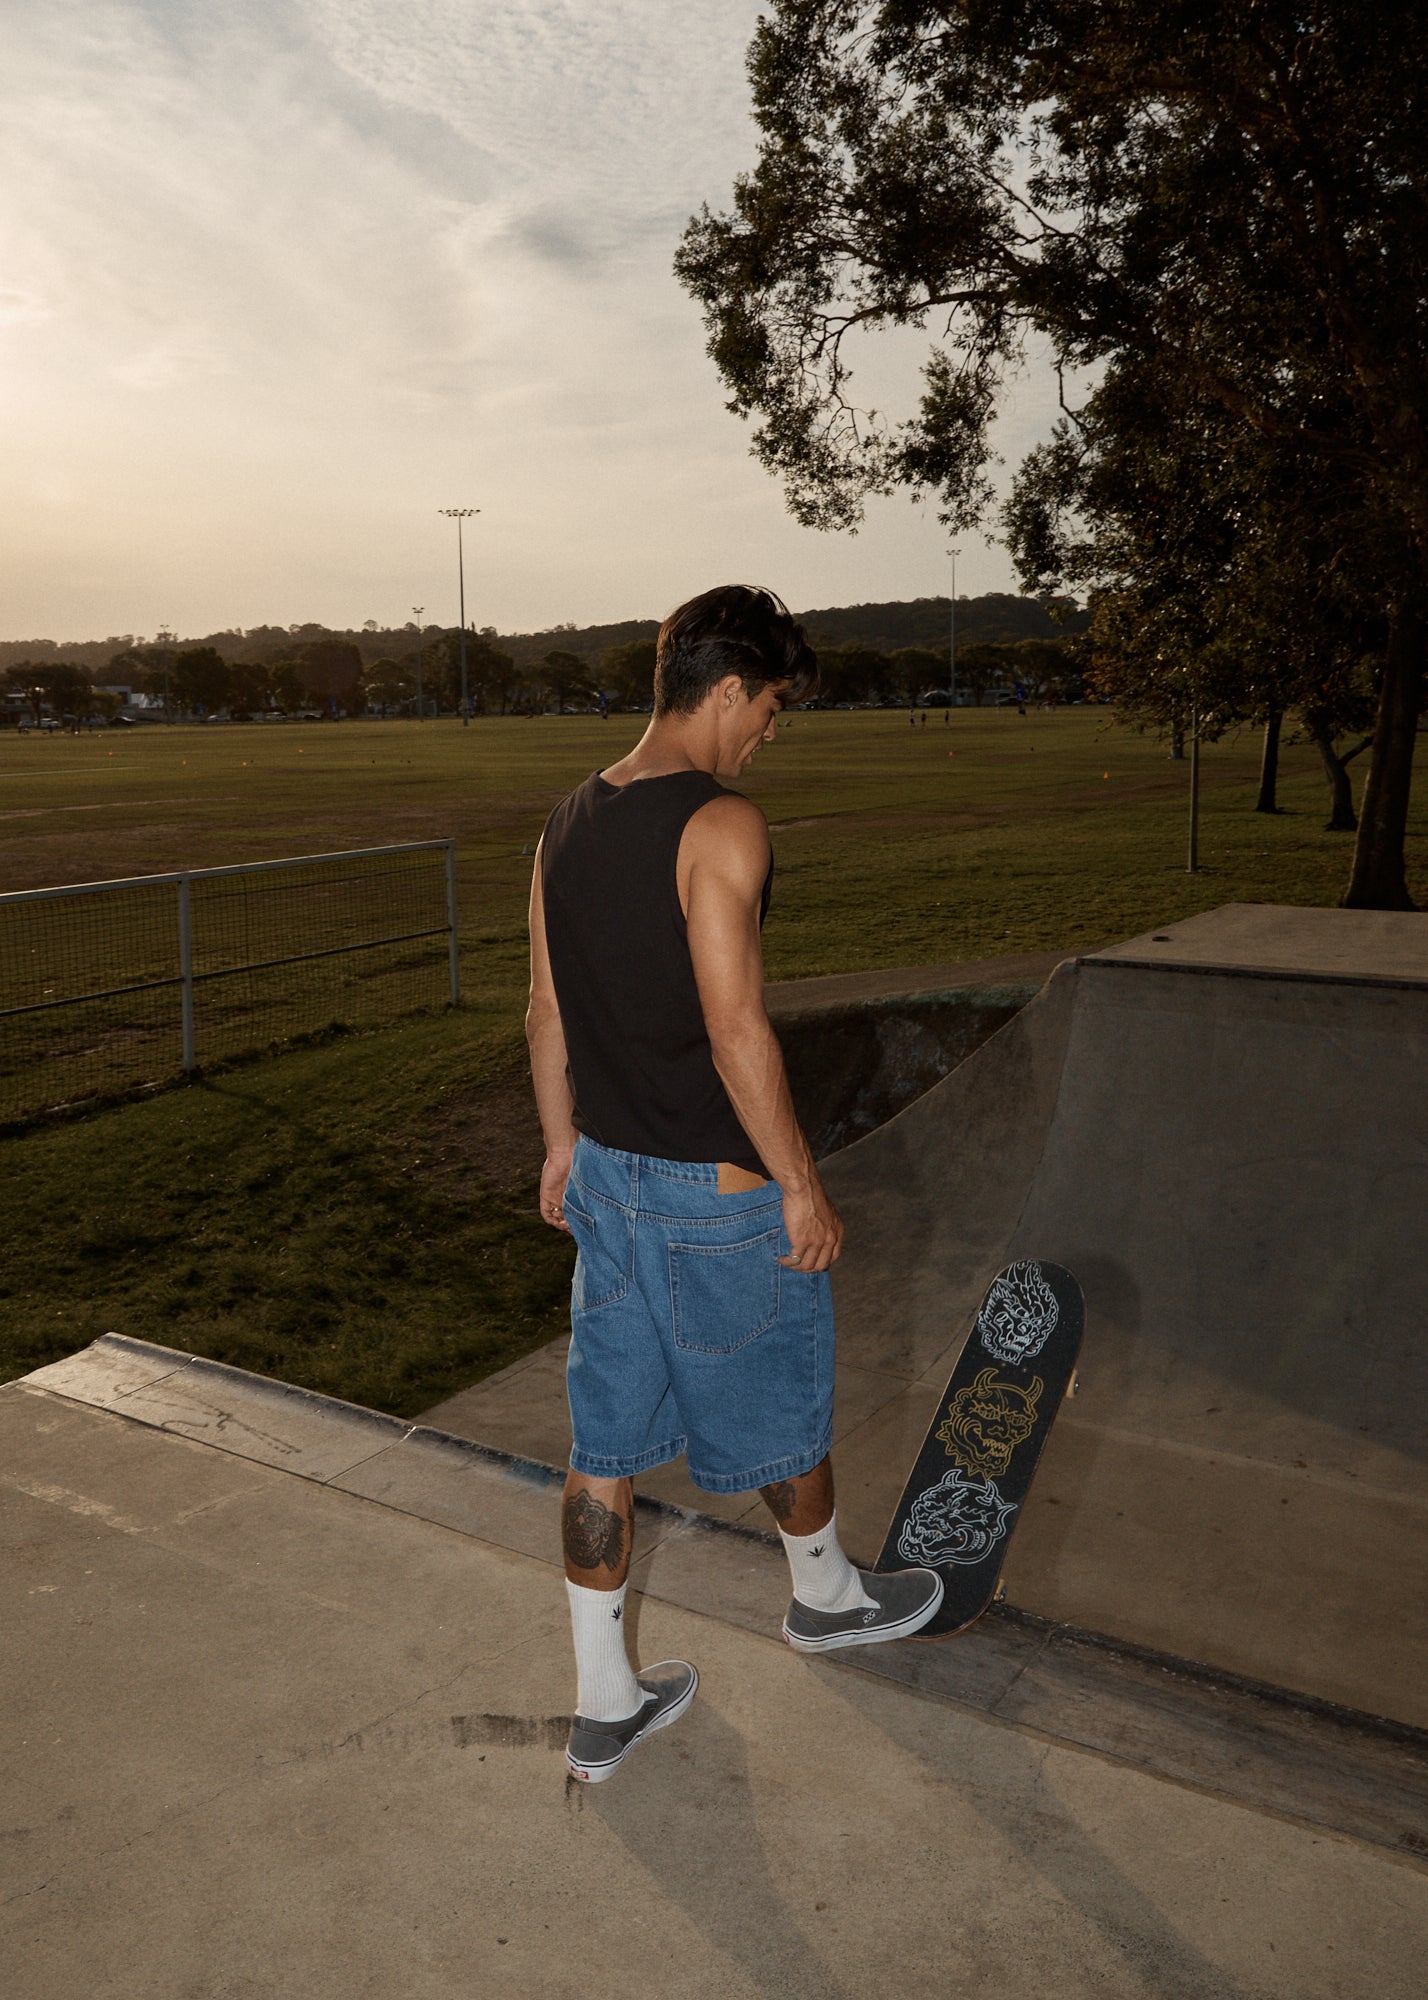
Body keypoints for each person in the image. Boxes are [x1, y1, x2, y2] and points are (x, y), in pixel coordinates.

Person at [526, 585, 943, 1785]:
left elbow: (546, 1007)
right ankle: (826, 1596)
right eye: (769, 705)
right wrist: (799, 1184)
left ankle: (604, 1702)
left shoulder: (561, 822)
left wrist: (561, 1144)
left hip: (604, 1178)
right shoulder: (724, 823)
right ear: (723, 690)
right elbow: (735, 1026)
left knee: (602, 1444)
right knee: (780, 1405)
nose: (772, 729)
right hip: (717, 1194)